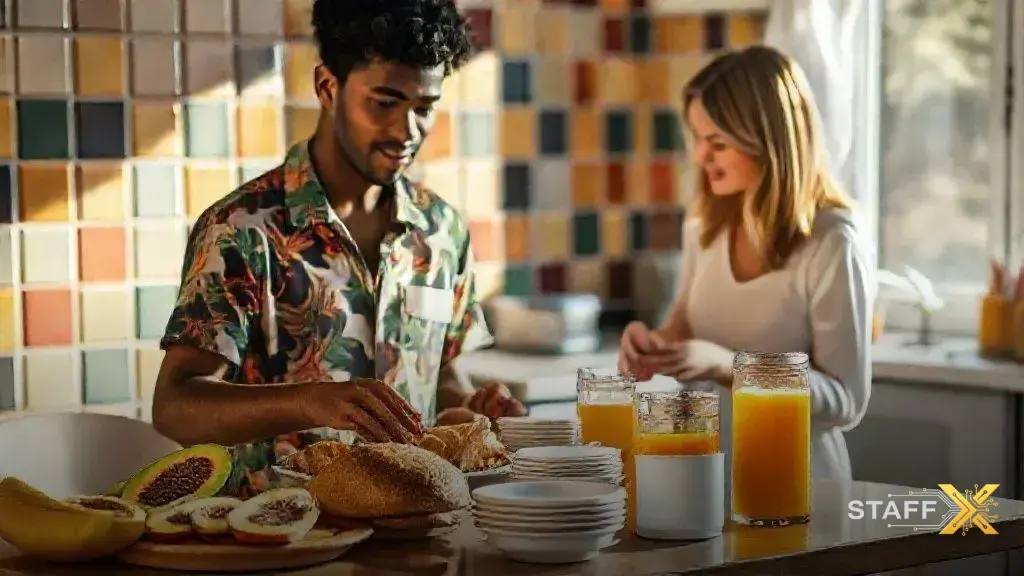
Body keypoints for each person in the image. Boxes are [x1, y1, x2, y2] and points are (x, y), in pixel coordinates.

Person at [152, 0, 525, 495]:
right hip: (276, 540)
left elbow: (441, 380)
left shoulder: (442, 231)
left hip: (412, 530)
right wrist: (311, 401)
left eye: (424, 108)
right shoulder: (241, 229)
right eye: (385, 103)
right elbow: (174, 406)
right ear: (328, 87)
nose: (406, 132)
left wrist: (473, 408)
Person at [618, 46, 872, 482]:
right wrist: (651, 346)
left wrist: (731, 367)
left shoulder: (831, 242)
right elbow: (684, 326)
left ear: (770, 141)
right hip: (701, 475)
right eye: (697, 138)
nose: (700, 157)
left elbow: (845, 401)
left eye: (717, 143)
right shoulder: (705, 224)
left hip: (797, 483)